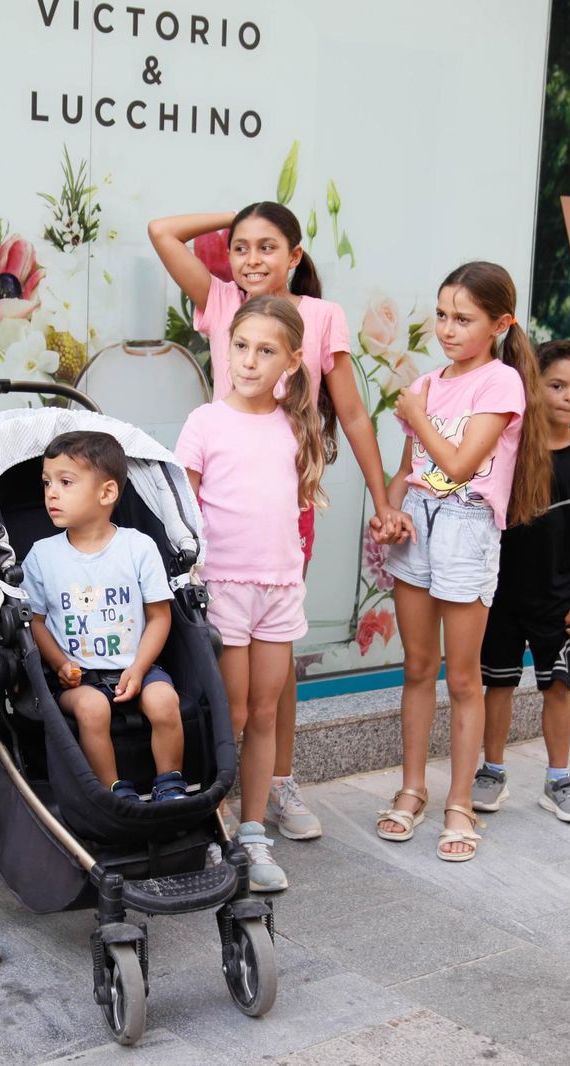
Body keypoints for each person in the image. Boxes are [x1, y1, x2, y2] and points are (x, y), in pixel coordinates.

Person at [148, 201, 411, 842]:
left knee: (276, 657)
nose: (250, 260)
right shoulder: (219, 302)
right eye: (240, 246)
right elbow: (161, 231)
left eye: (267, 247)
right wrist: (232, 209)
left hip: (285, 510)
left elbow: (350, 415)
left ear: (295, 255)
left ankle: (277, 786)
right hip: (223, 518)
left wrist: (382, 499)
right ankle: (220, 803)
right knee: (232, 677)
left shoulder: (321, 318)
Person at [372, 262, 551, 862]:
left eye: (463, 318)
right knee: (418, 667)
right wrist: (389, 512)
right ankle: (412, 788)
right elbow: (409, 471)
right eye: (442, 314)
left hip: (465, 527)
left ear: (500, 324)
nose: (447, 329)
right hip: (417, 526)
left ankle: (460, 803)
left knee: (463, 677)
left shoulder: (500, 383)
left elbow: (458, 464)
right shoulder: (426, 383)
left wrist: (416, 412)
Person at [175, 295, 327, 891]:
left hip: (280, 586)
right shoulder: (205, 422)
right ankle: (213, 827)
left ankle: (255, 830)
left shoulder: (295, 422)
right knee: (231, 713)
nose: (248, 361)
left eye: (265, 351)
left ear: (290, 360)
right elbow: (181, 514)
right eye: (241, 346)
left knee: (265, 713)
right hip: (224, 588)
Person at [475, 341, 570, 824]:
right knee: (498, 686)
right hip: (501, 598)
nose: (569, 396)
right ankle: (491, 770)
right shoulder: (510, 452)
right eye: (556, 385)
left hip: (559, 601)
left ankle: (559, 779)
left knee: (558, 688)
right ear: (533, 387)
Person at [22, 430, 189, 803]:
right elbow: (34, 621)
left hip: (139, 666)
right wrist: (60, 664)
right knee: (92, 708)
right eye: (47, 482)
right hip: (79, 677)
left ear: (107, 493)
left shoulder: (138, 547)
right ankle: (114, 791)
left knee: (165, 702)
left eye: (66, 483)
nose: (51, 493)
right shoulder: (42, 556)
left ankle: (171, 784)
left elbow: (160, 616)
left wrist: (141, 668)